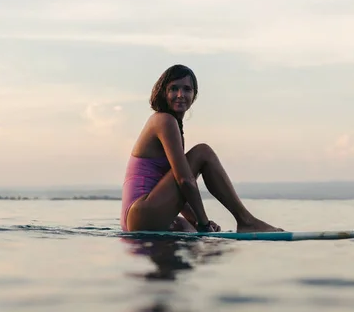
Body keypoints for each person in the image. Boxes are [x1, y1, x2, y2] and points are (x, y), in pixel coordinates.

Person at [120, 64, 282, 233]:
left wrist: (196, 221)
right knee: (203, 152)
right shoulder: (164, 121)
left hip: (137, 218)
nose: (180, 95)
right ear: (163, 93)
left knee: (187, 229)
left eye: (187, 89)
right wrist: (204, 224)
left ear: (194, 95)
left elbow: (174, 185)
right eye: (173, 89)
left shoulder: (170, 124)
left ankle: (237, 223)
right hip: (141, 212)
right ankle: (246, 221)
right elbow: (184, 180)